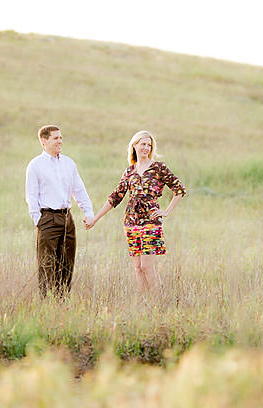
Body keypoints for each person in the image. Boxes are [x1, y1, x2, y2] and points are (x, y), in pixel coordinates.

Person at [85, 130, 186, 292]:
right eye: (143, 144)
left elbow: (179, 189)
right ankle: (143, 303)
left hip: (150, 222)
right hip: (131, 223)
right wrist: (95, 219)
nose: (146, 147)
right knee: (138, 268)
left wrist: (166, 211)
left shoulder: (159, 168)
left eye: (149, 145)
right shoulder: (129, 171)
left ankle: (158, 301)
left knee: (147, 266)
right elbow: (115, 197)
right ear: (134, 146)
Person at [25, 124, 94, 298]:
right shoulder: (35, 165)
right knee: (47, 265)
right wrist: (38, 220)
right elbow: (31, 196)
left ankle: (62, 302)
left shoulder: (69, 163)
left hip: (67, 218)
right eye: (56, 138)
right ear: (44, 141)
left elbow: (79, 190)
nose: (60, 141)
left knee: (67, 264)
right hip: (47, 218)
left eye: (61, 137)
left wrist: (88, 212)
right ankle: (47, 305)